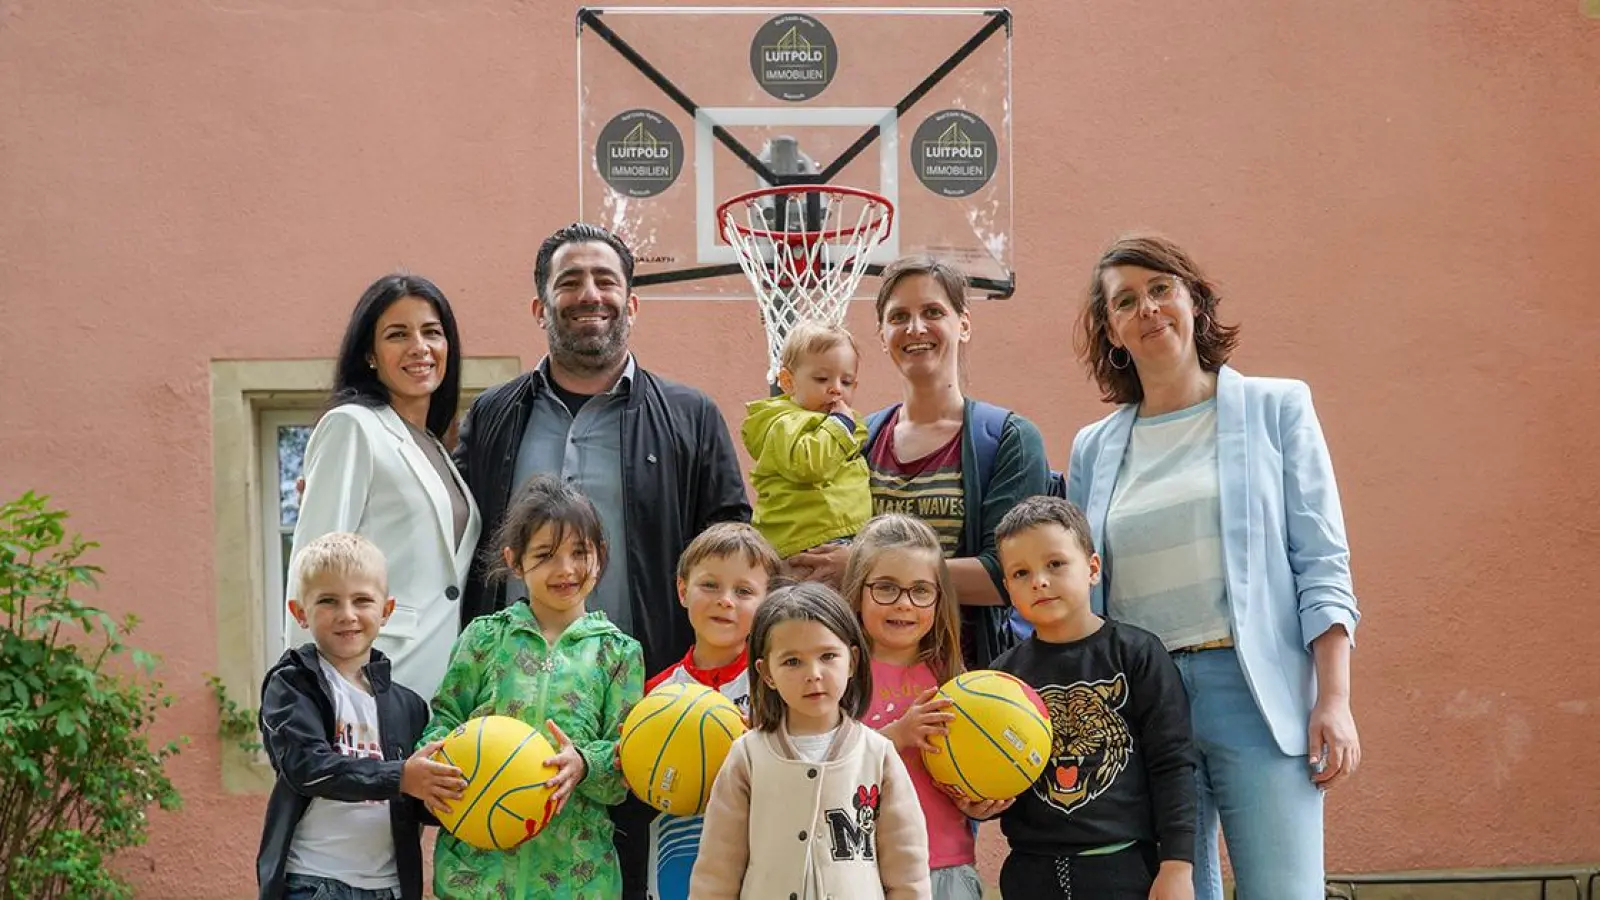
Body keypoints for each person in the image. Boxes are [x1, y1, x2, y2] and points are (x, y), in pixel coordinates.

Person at [450, 223, 750, 896]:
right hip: (511, 726)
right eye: (570, 282)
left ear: (632, 302)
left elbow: (732, 548)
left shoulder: (691, 415)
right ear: (540, 307)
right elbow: (452, 537)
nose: (591, 296)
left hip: (648, 716)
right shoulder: (494, 415)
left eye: (606, 280)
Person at [1067, 233, 1362, 899]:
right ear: (1112, 331)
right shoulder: (1093, 448)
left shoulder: (1277, 408)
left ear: (1194, 302)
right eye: (1126, 301)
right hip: (1144, 703)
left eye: (1160, 289)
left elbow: (1321, 560)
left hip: (1254, 693)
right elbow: (1082, 585)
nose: (1147, 308)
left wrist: (1334, 698)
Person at [789, 255, 1050, 669]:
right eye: (899, 317)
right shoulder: (854, 438)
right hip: (862, 684)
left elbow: (1008, 576)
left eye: (932, 312)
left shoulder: (1008, 439)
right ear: (881, 334)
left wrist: (863, 565)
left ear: (963, 324)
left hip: (964, 678)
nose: (915, 328)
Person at [422, 476, 645, 900]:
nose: (566, 570)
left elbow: (624, 762)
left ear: (601, 556)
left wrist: (584, 763)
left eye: (580, 552)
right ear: (515, 560)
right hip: (478, 873)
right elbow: (445, 721)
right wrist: (436, 769)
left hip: (577, 878)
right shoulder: (484, 637)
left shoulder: (618, 653)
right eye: (545, 555)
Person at [982, 496, 1197, 900]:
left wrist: (1176, 865)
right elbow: (996, 775)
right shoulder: (1002, 679)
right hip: (1029, 870)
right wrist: (980, 801)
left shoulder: (1137, 654)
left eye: (1055, 564)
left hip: (1125, 867)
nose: (1039, 581)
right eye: (1021, 572)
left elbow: (1172, 764)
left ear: (1092, 568)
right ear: (1008, 587)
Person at [288, 273, 481, 702]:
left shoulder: (435, 446)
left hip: (444, 684)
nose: (419, 347)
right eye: (398, 334)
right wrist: (306, 701)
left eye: (432, 332)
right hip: (370, 678)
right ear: (370, 355)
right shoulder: (352, 426)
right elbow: (309, 571)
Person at [257, 532, 468, 900]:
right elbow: (308, 766)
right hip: (312, 882)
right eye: (328, 601)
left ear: (386, 611)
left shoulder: (410, 707)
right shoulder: (292, 685)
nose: (347, 615)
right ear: (299, 613)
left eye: (362, 600)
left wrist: (454, 791)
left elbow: (416, 799)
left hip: (388, 888)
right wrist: (401, 776)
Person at [689, 582, 932, 900]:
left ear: (852, 661)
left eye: (828, 655)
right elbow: (716, 873)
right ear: (767, 674)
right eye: (792, 661)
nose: (814, 674)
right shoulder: (747, 757)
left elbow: (908, 872)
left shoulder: (877, 754)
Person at [842, 514, 995, 900]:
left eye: (920, 591)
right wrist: (897, 734)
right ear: (859, 590)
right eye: (886, 588)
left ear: (938, 598)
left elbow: (968, 776)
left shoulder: (952, 679)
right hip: (860, 871)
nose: (904, 604)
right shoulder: (836, 672)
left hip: (945, 866)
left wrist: (979, 802)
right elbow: (823, 765)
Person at [638, 522, 782, 900]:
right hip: (679, 855)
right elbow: (639, 785)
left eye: (744, 591)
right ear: (683, 590)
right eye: (710, 585)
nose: (726, 600)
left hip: (763, 852)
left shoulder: (778, 685)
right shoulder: (656, 695)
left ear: (766, 603)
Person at [742, 320, 872, 558]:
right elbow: (809, 465)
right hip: (804, 542)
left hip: (845, 535)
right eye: (822, 379)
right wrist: (840, 425)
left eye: (846, 382)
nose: (836, 389)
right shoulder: (784, 424)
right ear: (788, 382)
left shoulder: (845, 424)